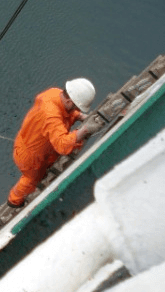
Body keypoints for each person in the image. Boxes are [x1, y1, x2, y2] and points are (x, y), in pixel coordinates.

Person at [7, 78, 99, 208]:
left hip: (31, 144)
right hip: (31, 158)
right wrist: (84, 130)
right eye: (76, 107)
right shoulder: (51, 115)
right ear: (69, 101)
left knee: (40, 172)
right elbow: (62, 145)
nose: (75, 110)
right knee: (31, 180)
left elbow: (64, 113)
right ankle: (14, 201)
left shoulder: (55, 93)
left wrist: (79, 116)